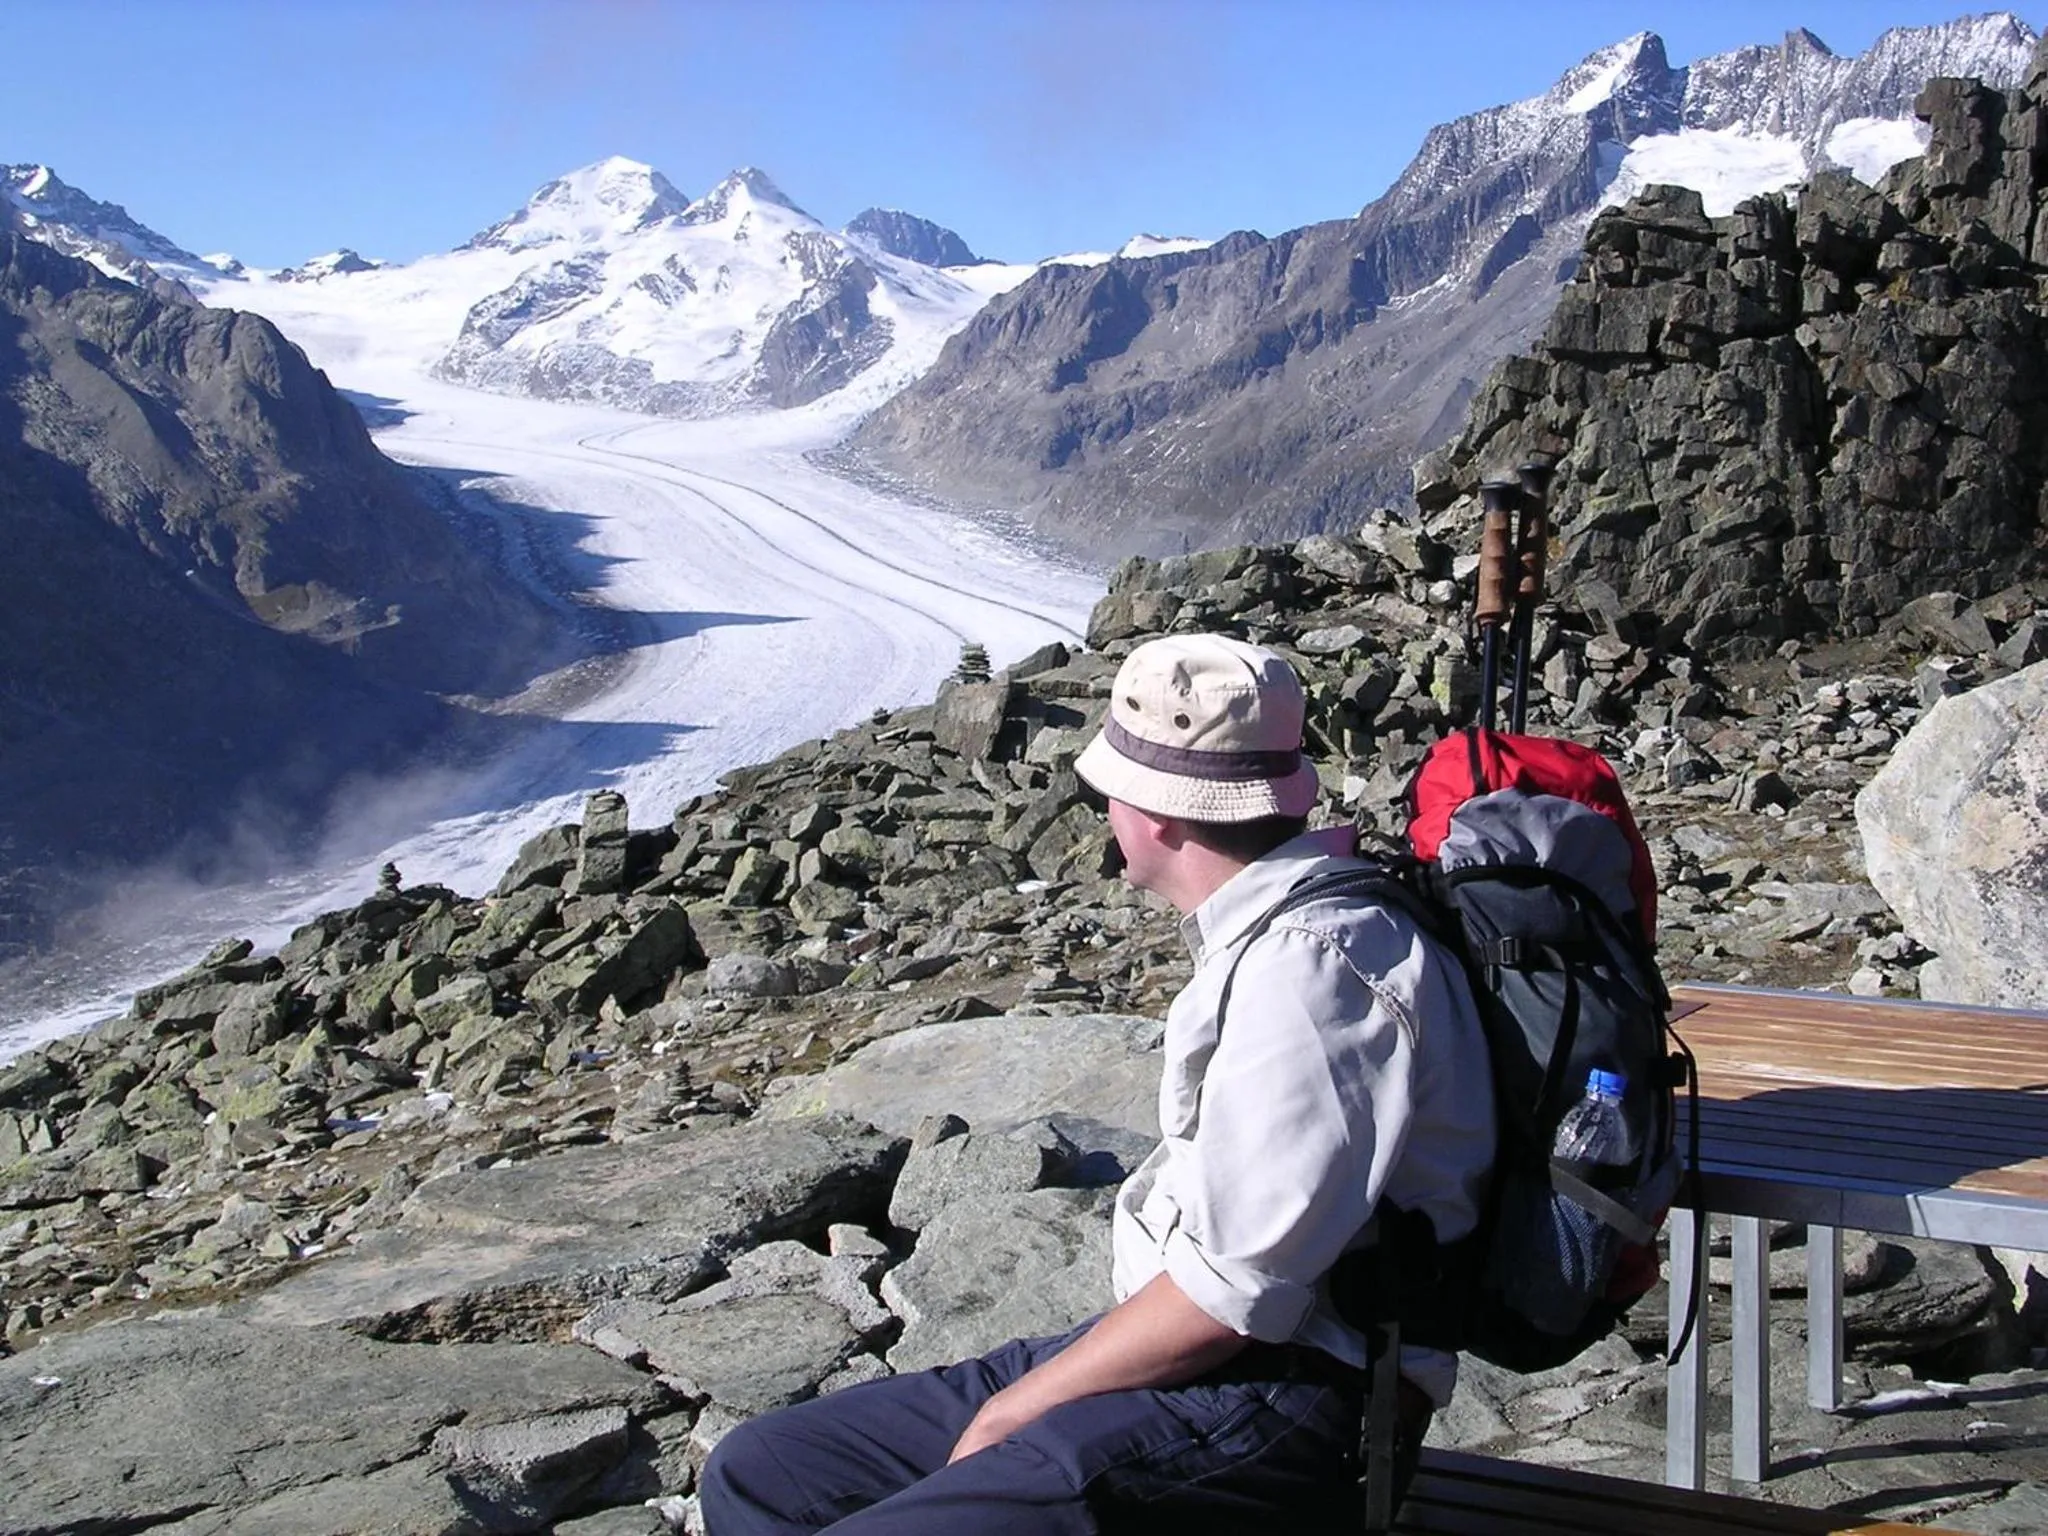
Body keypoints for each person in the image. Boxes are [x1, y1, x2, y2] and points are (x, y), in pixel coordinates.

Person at [700, 633, 1496, 1534]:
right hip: (1219, 1362)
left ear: (1158, 816)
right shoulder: (1285, 933)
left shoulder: (1313, 972)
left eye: (1109, 789)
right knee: (764, 1471)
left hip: (1294, 1395)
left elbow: (1235, 1295)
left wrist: (1013, 1411)